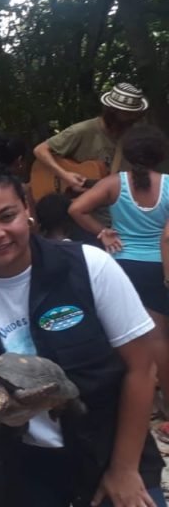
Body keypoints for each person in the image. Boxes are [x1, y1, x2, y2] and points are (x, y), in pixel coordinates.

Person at [0, 159, 164, 507]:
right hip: (21, 470)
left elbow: (142, 368)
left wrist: (124, 469)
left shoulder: (88, 266)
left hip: (108, 451)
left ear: (27, 210)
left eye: (6, 216)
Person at [68, 124, 169, 439]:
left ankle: (126, 403)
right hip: (156, 268)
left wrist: (102, 232)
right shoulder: (168, 185)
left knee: (120, 337)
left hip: (121, 267)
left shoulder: (115, 184)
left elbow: (75, 208)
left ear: (126, 153)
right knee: (158, 341)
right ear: (161, 155)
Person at [33, 83, 148, 196]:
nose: (132, 119)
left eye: (134, 114)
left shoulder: (134, 138)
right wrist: (65, 175)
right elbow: (40, 150)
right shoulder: (82, 130)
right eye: (127, 114)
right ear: (113, 111)